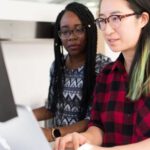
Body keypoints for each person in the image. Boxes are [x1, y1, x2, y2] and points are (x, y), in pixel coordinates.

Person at [54, 0, 150, 149]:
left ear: (142, 19)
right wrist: (82, 139)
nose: (107, 30)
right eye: (103, 20)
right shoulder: (106, 75)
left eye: (116, 18)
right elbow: (98, 127)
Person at [33, 2, 111, 142]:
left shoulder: (103, 67)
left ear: (89, 31)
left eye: (79, 29)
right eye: (65, 31)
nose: (71, 37)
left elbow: (94, 119)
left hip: (86, 144)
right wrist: (22, 116)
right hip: (61, 145)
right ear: (59, 36)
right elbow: (52, 108)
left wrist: (53, 133)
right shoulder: (57, 66)